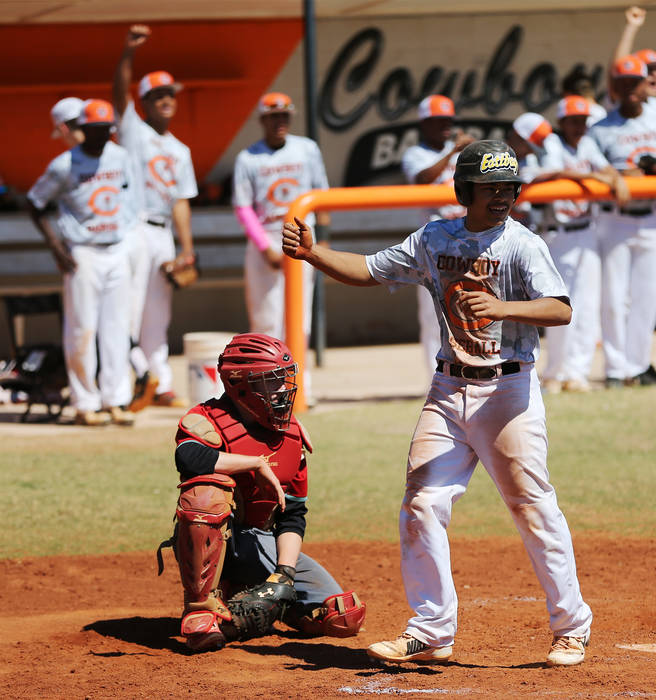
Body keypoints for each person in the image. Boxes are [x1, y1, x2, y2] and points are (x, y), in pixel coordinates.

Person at [282, 140, 593, 667]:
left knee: (533, 509)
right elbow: (369, 269)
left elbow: (560, 310)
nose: (501, 196)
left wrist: (502, 305)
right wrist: (312, 253)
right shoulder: (434, 237)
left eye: (508, 187)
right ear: (464, 190)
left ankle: (572, 628)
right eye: (490, 186)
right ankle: (431, 630)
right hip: (447, 390)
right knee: (421, 505)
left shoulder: (523, 244)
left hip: (508, 391)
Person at [164, 332, 365, 652]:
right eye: (272, 380)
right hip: (211, 541)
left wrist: (284, 574)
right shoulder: (205, 420)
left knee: (342, 615)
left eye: (285, 379)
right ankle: (200, 612)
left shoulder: (291, 434)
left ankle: (246, 614)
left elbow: (293, 514)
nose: (284, 388)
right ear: (241, 384)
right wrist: (254, 464)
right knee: (205, 495)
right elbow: (187, 458)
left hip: (260, 542)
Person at [26, 99, 135, 427]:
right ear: (81, 130)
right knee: (82, 328)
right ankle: (85, 402)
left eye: (106, 129)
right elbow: (35, 202)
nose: (102, 136)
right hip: (82, 252)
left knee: (117, 328)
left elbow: (128, 196)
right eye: (94, 130)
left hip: (116, 247)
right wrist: (56, 246)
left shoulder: (121, 156)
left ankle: (116, 400)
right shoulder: (64, 164)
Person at [113, 24, 197, 409]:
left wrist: (187, 249)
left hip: (163, 232)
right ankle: (131, 377)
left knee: (157, 312)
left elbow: (181, 200)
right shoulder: (133, 132)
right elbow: (117, 95)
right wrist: (128, 53)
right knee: (128, 307)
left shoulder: (179, 149)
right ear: (144, 102)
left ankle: (159, 383)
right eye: (158, 95)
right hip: (133, 228)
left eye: (170, 94)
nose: (166, 100)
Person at [589, 54, 656, 388]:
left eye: (635, 82)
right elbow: (590, 166)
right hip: (615, 218)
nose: (630, 89)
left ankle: (639, 364)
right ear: (614, 87)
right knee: (614, 297)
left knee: (648, 294)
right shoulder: (600, 127)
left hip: (651, 215)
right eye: (623, 83)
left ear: (647, 84)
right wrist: (616, 174)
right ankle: (616, 368)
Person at [232, 91, 330, 406]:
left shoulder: (306, 149)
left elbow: (321, 193)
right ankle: (266, 389)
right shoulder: (248, 157)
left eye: (285, 116)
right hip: (267, 239)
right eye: (274, 116)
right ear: (262, 120)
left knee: (298, 320)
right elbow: (243, 208)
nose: (280, 122)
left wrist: (323, 238)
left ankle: (300, 385)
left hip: (301, 237)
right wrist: (265, 247)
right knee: (266, 319)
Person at [535, 96, 631, 393]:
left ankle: (578, 372)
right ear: (562, 122)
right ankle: (556, 371)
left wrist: (616, 179)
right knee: (559, 303)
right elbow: (552, 172)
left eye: (583, 121)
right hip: (558, 231)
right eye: (573, 121)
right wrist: (591, 175)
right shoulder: (552, 143)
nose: (579, 126)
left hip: (585, 229)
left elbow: (606, 168)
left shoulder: (587, 144)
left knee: (587, 306)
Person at [401, 95, 475, 374]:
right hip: (433, 241)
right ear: (424, 124)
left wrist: (469, 149)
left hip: (466, 240)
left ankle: (467, 372)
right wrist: (452, 152)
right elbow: (422, 179)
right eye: (437, 121)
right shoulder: (415, 153)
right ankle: (435, 378)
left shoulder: (460, 150)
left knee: (470, 311)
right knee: (435, 317)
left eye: (448, 120)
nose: (445, 126)